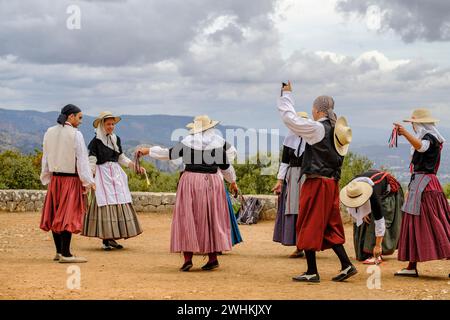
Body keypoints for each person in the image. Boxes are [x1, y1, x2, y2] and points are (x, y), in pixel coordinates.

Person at [278, 81, 357, 283]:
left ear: (316, 109)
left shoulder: (318, 128)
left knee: (308, 222)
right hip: (331, 183)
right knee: (330, 225)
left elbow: (290, 119)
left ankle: (312, 271)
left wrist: (286, 95)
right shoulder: (337, 131)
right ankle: (346, 265)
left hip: (317, 183)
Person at [137, 115, 239, 271]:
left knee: (188, 217)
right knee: (210, 218)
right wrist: (233, 182)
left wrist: (147, 151)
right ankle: (212, 258)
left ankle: (187, 259)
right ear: (210, 129)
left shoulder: (187, 143)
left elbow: (168, 154)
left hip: (190, 181)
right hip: (212, 182)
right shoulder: (217, 144)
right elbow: (226, 168)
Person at [393, 109, 450, 277]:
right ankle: (411, 266)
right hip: (424, 184)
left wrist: (404, 134)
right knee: (416, 224)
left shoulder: (428, 139)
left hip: (424, 186)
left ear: (418, 123)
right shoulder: (430, 138)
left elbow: (421, 147)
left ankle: (411, 266)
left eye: (413, 123)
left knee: (435, 224)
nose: (412, 126)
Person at [40, 104, 95, 263]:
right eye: (80, 117)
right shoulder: (75, 134)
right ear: (71, 116)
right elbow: (82, 161)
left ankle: (59, 252)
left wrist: (46, 177)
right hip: (70, 180)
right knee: (67, 216)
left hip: (55, 180)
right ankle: (66, 254)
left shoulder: (49, 132)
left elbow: (46, 157)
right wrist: (88, 182)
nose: (81, 121)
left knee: (56, 213)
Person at [82, 111, 143, 250]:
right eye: (108, 124)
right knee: (105, 204)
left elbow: (121, 157)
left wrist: (134, 166)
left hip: (115, 175)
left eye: (112, 124)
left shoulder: (116, 139)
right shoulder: (95, 142)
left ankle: (113, 237)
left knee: (118, 203)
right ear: (102, 125)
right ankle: (106, 238)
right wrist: (89, 178)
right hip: (103, 175)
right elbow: (92, 160)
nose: (111, 127)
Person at [340, 170, 404, 264]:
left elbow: (380, 221)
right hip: (375, 187)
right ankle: (366, 250)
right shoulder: (352, 187)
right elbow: (355, 205)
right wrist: (363, 212)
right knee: (365, 217)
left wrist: (378, 246)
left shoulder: (374, 194)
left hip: (389, 193)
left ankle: (377, 254)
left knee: (374, 218)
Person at [272, 112, 309, 258]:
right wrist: (280, 180)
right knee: (294, 210)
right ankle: (299, 246)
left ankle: (307, 245)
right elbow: (284, 162)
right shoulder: (289, 140)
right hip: (293, 177)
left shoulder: (312, 140)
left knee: (307, 210)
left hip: (308, 176)